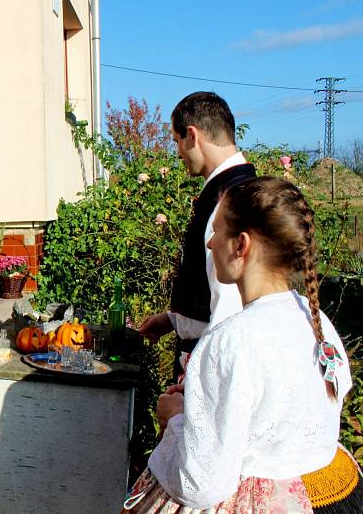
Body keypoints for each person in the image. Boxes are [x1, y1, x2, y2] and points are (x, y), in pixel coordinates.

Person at [123, 177, 363, 512]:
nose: (210, 244)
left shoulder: (229, 341)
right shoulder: (314, 318)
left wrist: (176, 419)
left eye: (217, 231)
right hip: (329, 491)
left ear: (242, 245)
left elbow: (201, 484)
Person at [138, 91, 256, 380]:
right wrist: (173, 320)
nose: (177, 152)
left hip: (209, 365)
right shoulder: (237, 189)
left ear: (192, 135)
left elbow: (228, 306)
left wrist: (198, 382)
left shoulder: (229, 200)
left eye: (177, 141)